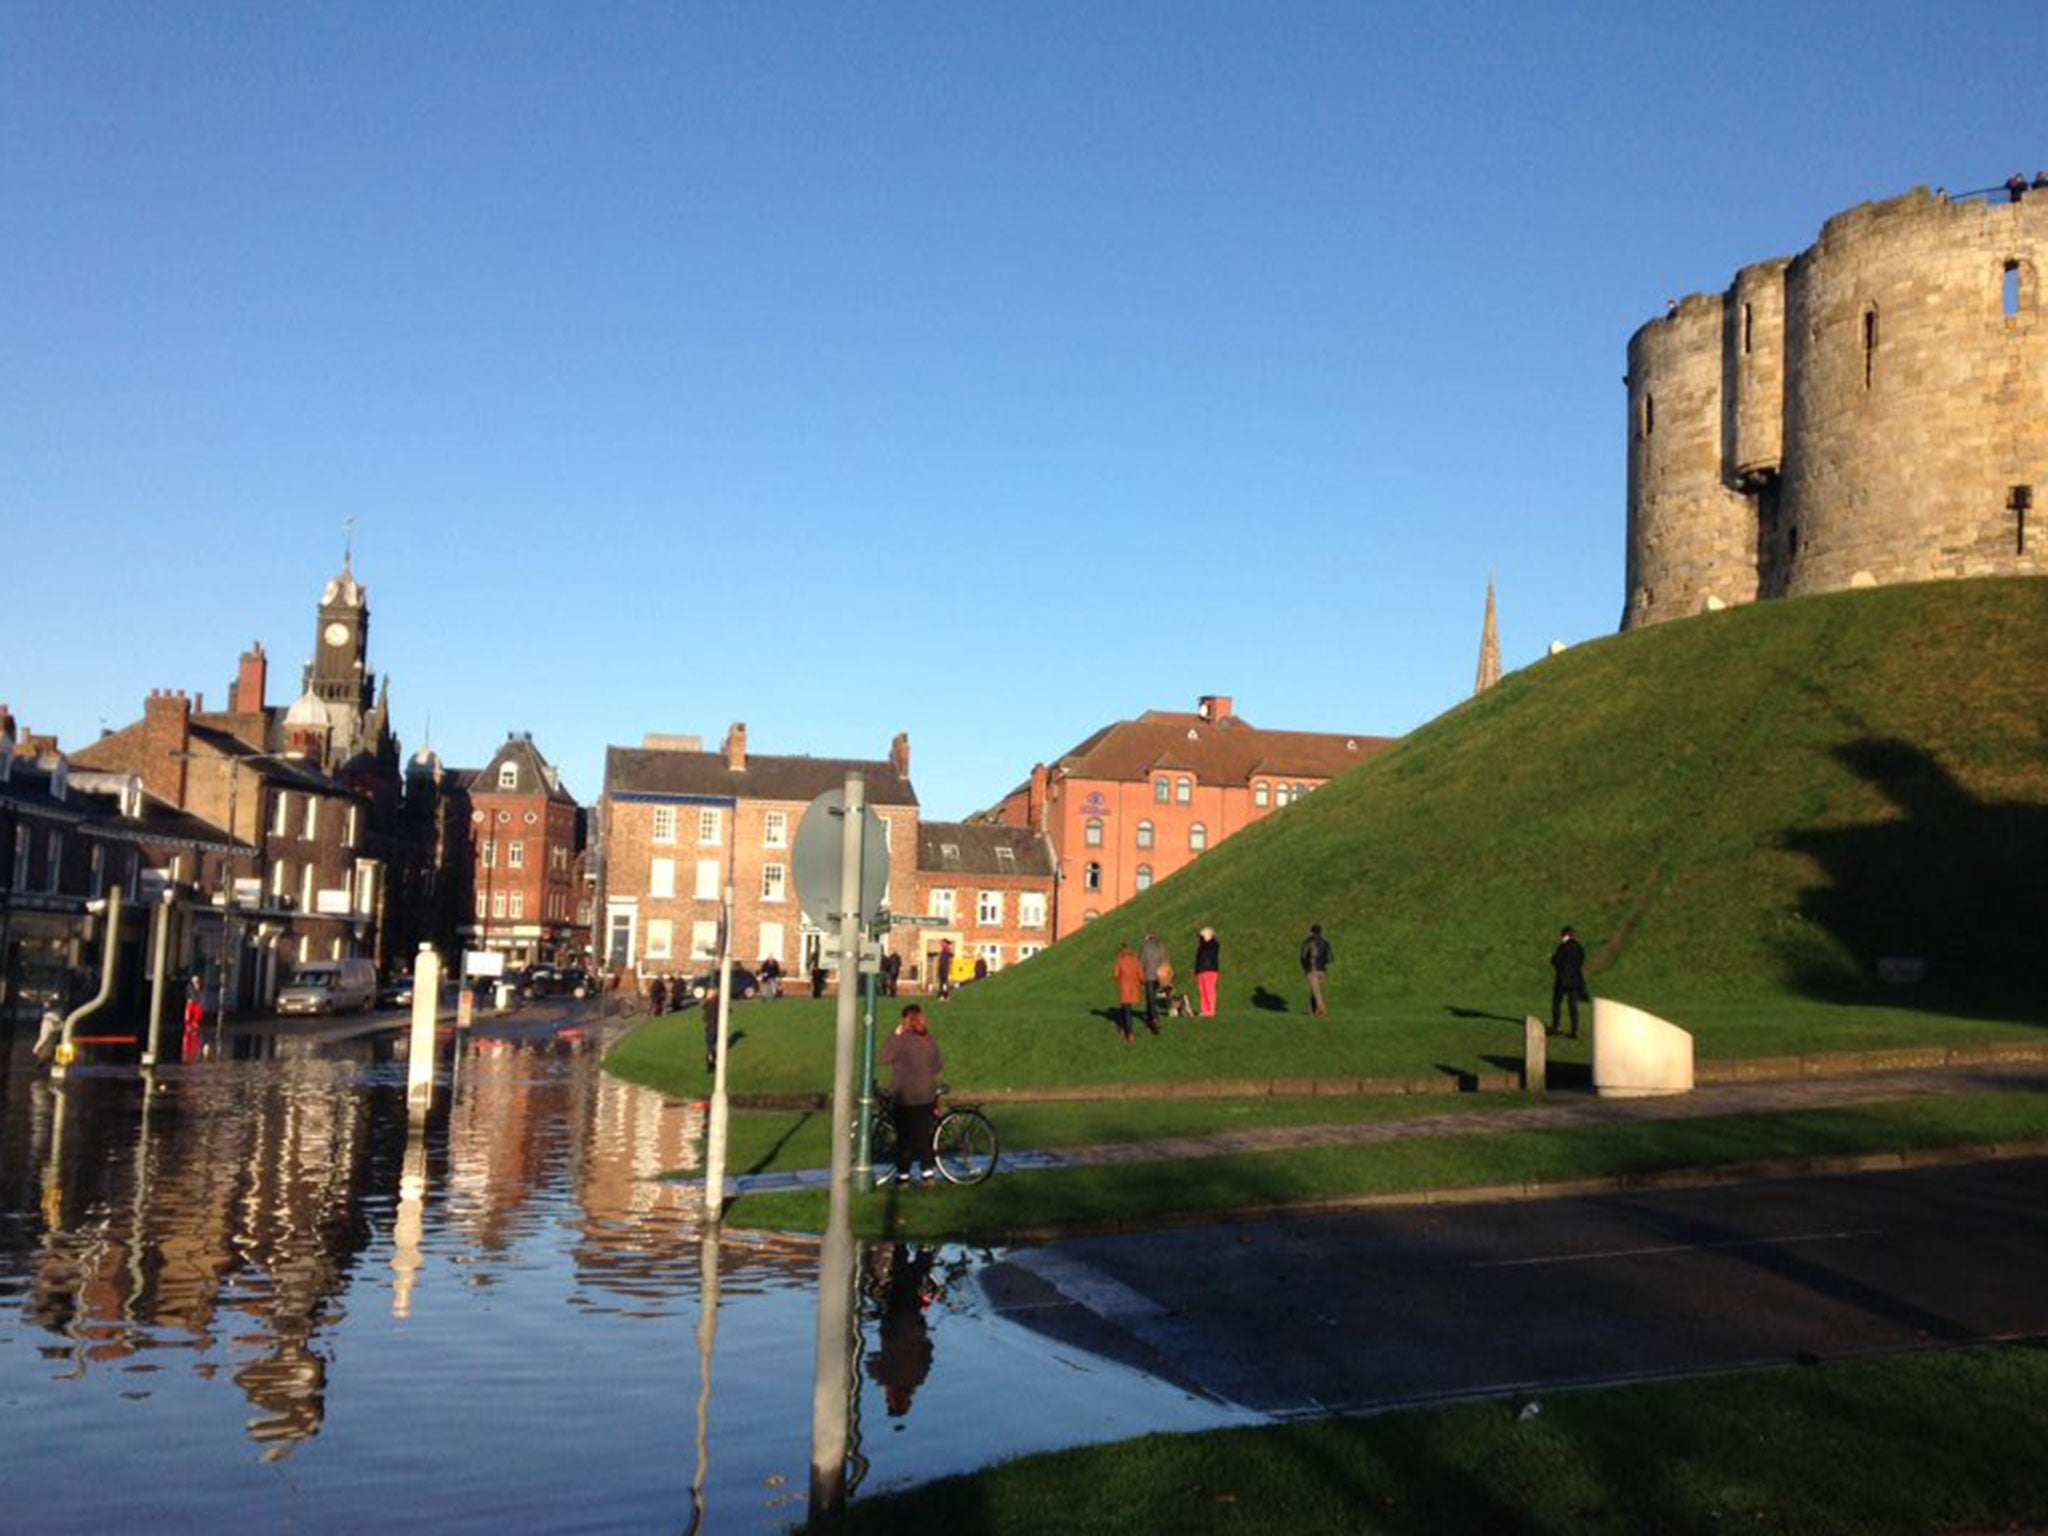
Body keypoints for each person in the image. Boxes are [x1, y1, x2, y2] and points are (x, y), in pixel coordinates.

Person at [877, 1004, 943, 1186]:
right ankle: (928, 1173)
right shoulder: (929, 1040)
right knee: (922, 1136)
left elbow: (883, 1057)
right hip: (926, 1096)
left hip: (905, 1096)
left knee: (904, 1138)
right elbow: (938, 1065)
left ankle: (903, 1176)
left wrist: (895, 1035)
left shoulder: (901, 1040)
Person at [1550, 925, 1589, 1039]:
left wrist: (1552, 959)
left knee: (1557, 1002)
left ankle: (1556, 1026)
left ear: (1564, 934)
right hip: (1575, 979)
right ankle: (1575, 1030)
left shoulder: (1563, 947)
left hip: (1563, 979)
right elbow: (1580, 961)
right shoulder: (1579, 947)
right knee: (1573, 1005)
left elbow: (1557, 961)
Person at [1112, 942, 1148, 1042]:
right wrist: (1142, 982)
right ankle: (1124, 1028)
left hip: (1124, 987)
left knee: (1126, 1009)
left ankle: (1129, 1031)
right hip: (1134, 987)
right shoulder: (1136, 960)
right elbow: (1141, 975)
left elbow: (1115, 974)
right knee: (1127, 1008)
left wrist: (1120, 978)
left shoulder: (1120, 961)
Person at [1299, 924, 1332, 1016]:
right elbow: (1330, 957)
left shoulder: (1307, 942)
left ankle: (1322, 1007)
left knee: (1316, 991)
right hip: (1322, 969)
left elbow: (1303, 956)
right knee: (1316, 990)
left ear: (1311, 932)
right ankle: (1313, 1011)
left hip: (1312, 968)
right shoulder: (1325, 943)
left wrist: (1306, 967)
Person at [1139, 930, 1168, 1028]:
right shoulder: (1161, 946)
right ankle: (1150, 1016)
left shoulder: (1144, 947)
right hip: (1159, 975)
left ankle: (1154, 1018)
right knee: (1153, 996)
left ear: (1147, 937)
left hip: (1148, 975)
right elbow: (1165, 960)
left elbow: (1141, 962)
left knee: (1150, 997)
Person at [700, 979, 722, 1072]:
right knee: (711, 1045)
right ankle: (712, 1060)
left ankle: (711, 1062)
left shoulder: (713, 1001)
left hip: (712, 1025)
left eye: (709, 992)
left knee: (710, 1045)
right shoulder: (716, 1001)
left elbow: (703, 1007)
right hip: (712, 1025)